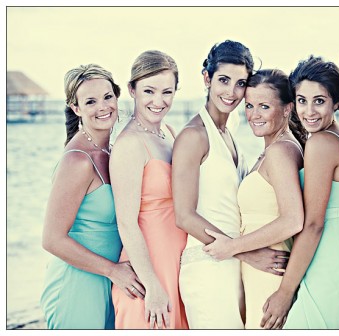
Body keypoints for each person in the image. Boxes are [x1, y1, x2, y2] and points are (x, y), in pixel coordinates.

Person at [172, 40, 289, 329]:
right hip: (207, 264)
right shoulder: (193, 136)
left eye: (240, 83)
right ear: (206, 78)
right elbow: (184, 215)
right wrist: (247, 252)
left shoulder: (230, 131)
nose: (232, 92)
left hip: (232, 264)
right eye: (224, 80)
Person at [260, 56, 339, 330]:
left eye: (319, 101)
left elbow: (312, 225)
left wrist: (285, 293)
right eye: (301, 100)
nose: (308, 111)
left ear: (336, 102)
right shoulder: (336, 136)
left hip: (332, 261)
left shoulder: (321, 143)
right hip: (336, 256)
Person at [40, 64, 144, 329]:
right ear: (76, 109)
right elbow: (52, 240)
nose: (103, 107)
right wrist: (112, 270)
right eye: (90, 101)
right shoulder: (78, 160)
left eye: (108, 97)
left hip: (111, 280)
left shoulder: (112, 151)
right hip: (78, 284)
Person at [203, 69, 306, 329]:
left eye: (264, 106)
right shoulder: (273, 149)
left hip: (271, 271)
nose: (254, 115)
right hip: (260, 268)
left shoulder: (281, 151)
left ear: (287, 109)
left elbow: (293, 220)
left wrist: (233, 247)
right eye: (249, 105)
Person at [110, 50, 188, 329]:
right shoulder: (129, 144)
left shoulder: (170, 131)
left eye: (167, 92)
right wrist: (152, 285)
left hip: (177, 263)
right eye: (149, 91)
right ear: (132, 90)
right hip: (149, 271)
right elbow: (126, 223)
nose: (159, 101)